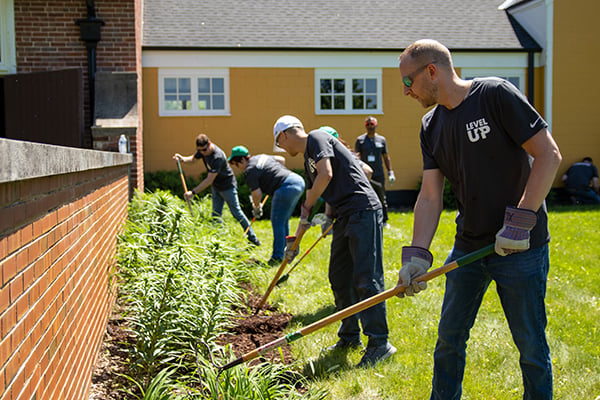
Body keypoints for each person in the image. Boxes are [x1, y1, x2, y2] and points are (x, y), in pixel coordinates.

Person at [396, 39, 561, 399]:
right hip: (469, 246)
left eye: (407, 81)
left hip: (520, 249)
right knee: (448, 342)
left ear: (432, 71)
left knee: (531, 348)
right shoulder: (430, 125)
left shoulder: (495, 94)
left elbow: (548, 155)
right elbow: (429, 195)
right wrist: (417, 256)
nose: (405, 91)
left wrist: (520, 221)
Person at [273, 115, 396, 367]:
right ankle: (350, 336)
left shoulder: (317, 136)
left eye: (279, 142)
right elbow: (311, 199)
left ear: (285, 134)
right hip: (344, 215)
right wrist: (294, 242)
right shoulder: (308, 163)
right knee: (339, 277)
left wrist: (308, 206)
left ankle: (380, 343)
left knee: (366, 277)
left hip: (362, 209)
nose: (282, 148)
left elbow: (326, 174)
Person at [173, 134, 261, 246]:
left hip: (227, 186)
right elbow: (193, 159)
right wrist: (182, 159)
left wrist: (193, 192)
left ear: (209, 144)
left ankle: (253, 238)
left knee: (237, 213)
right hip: (216, 187)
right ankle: (219, 241)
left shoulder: (217, 157)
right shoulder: (202, 150)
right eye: (200, 150)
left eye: (204, 150)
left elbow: (209, 179)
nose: (203, 153)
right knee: (216, 215)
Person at [228, 145, 305, 265]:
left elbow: (256, 193)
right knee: (283, 221)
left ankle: (277, 257)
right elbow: (281, 159)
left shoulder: (250, 171)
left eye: (236, 164)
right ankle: (285, 252)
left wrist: (256, 208)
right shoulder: (261, 157)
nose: (238, 168)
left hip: (285, 187)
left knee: (278, 221)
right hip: (297, 180)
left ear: (242, 160)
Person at [355, 116, 395, 228]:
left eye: (372, 124)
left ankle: (384, 220)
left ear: (376, 125)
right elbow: (356, 157)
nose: (370, 126)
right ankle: (367, 219)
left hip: (378, 173)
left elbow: (386, 157)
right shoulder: (360, 140)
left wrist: (390, 172)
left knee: (381, 197)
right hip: (366, 175)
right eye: (368, 124)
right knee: (365, 197)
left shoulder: (381, 140)